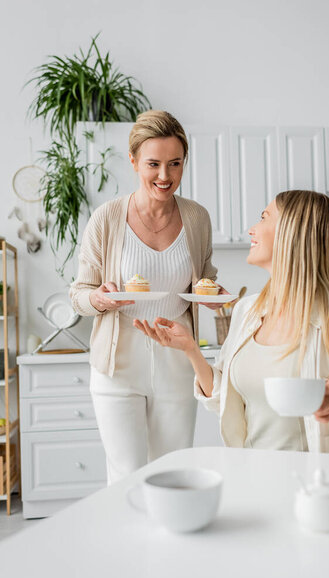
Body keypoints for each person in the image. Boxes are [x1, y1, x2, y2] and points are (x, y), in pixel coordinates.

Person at [134, 190, 329, 454]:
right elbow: (224, 401)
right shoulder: (247, 310)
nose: (252, 229)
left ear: (292, 232)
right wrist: (191, 350)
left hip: (316, 487)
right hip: (254, 478)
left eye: (263, 217)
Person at [70, 110, 227, 484]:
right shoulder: (107, 218)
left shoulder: (197, 218)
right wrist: (101, 300)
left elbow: (205, 279)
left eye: (175, 164)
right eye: (153, 164)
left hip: (176, 359)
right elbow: (79, 293)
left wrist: (214, 295)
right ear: (133, 161)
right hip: (118, 361)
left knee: (172, 475)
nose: (165, 176)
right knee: (125, 475)